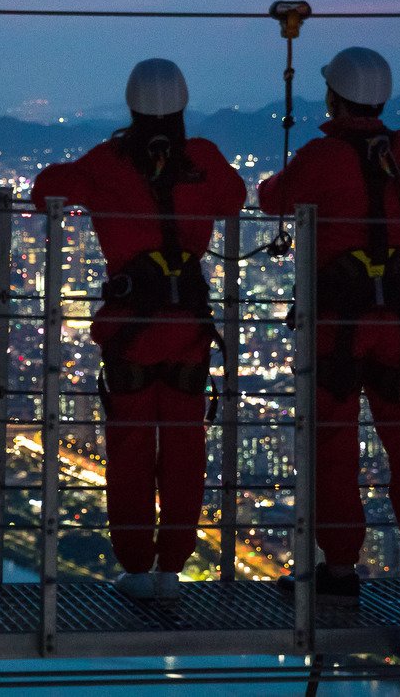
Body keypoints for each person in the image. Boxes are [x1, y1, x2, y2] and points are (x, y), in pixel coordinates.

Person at [32, 59, 247, 601]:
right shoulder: (202, 158)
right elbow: (235, 197)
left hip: (130, 329)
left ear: (130, 104)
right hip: (189, 330)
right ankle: (172, 567)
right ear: (183, 104)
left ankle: (134, 566)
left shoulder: (107, 163)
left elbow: (45, 189)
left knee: (129, 451)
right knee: (185, 449)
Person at [258, 46, 400, 605]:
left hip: (339, 323)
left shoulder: (323, 157)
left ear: (334, 97)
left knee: (334, 443)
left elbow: (272, 198)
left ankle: (340, 570)